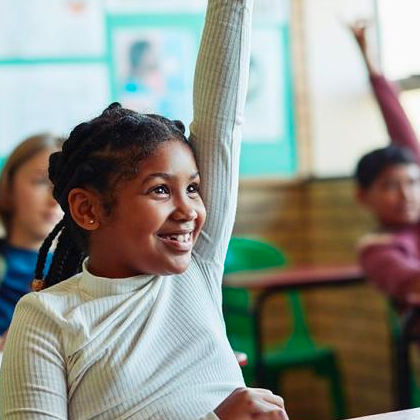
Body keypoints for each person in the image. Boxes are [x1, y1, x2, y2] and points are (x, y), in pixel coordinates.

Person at [0, 1, 288, 419]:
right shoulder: (46, 318)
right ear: (88, 209)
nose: (188, 209)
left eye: (192, 187)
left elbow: (222, 122)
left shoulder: (195, 270)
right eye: (158, 190)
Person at [349, 21, 420, 302]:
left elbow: (400, 127)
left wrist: (372, 64)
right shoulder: (377, 249)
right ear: (363, 196)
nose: (407, 195)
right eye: (390, 186)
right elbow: (410, 282)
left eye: (414, 183)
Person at [0, 134, 63, 349]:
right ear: (8, 187)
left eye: (64, 186)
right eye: (41, 181)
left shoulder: (86, 271)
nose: (55, 200)